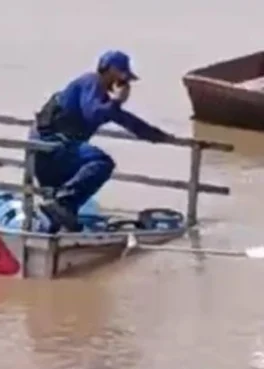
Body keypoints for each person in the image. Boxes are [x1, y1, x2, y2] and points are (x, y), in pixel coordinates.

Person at [30, 50, 174, 232]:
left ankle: (56, 223)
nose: (125, 83)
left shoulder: (101, 98)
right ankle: (62, 203)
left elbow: (127, 121)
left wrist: (159, 136)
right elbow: (93, 113)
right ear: (111, 70)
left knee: (64, 206)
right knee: (101, 163)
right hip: (52, 150)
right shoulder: (91, 82)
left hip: (50, 153)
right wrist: (118, 101)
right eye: (123, 77)